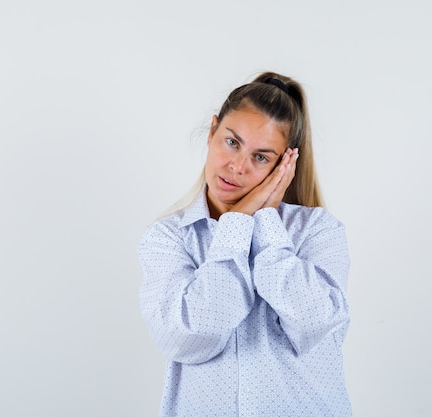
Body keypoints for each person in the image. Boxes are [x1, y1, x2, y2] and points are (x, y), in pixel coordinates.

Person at [138, 71, 352, 416]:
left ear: (285, 164)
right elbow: (190, 338)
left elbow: (313, 324)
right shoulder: (169, 238)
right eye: (232, 142)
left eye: (261, 157)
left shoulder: (317, 231)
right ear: (212, 132)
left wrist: (264, 223)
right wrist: (237, 224)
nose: (237, 166)